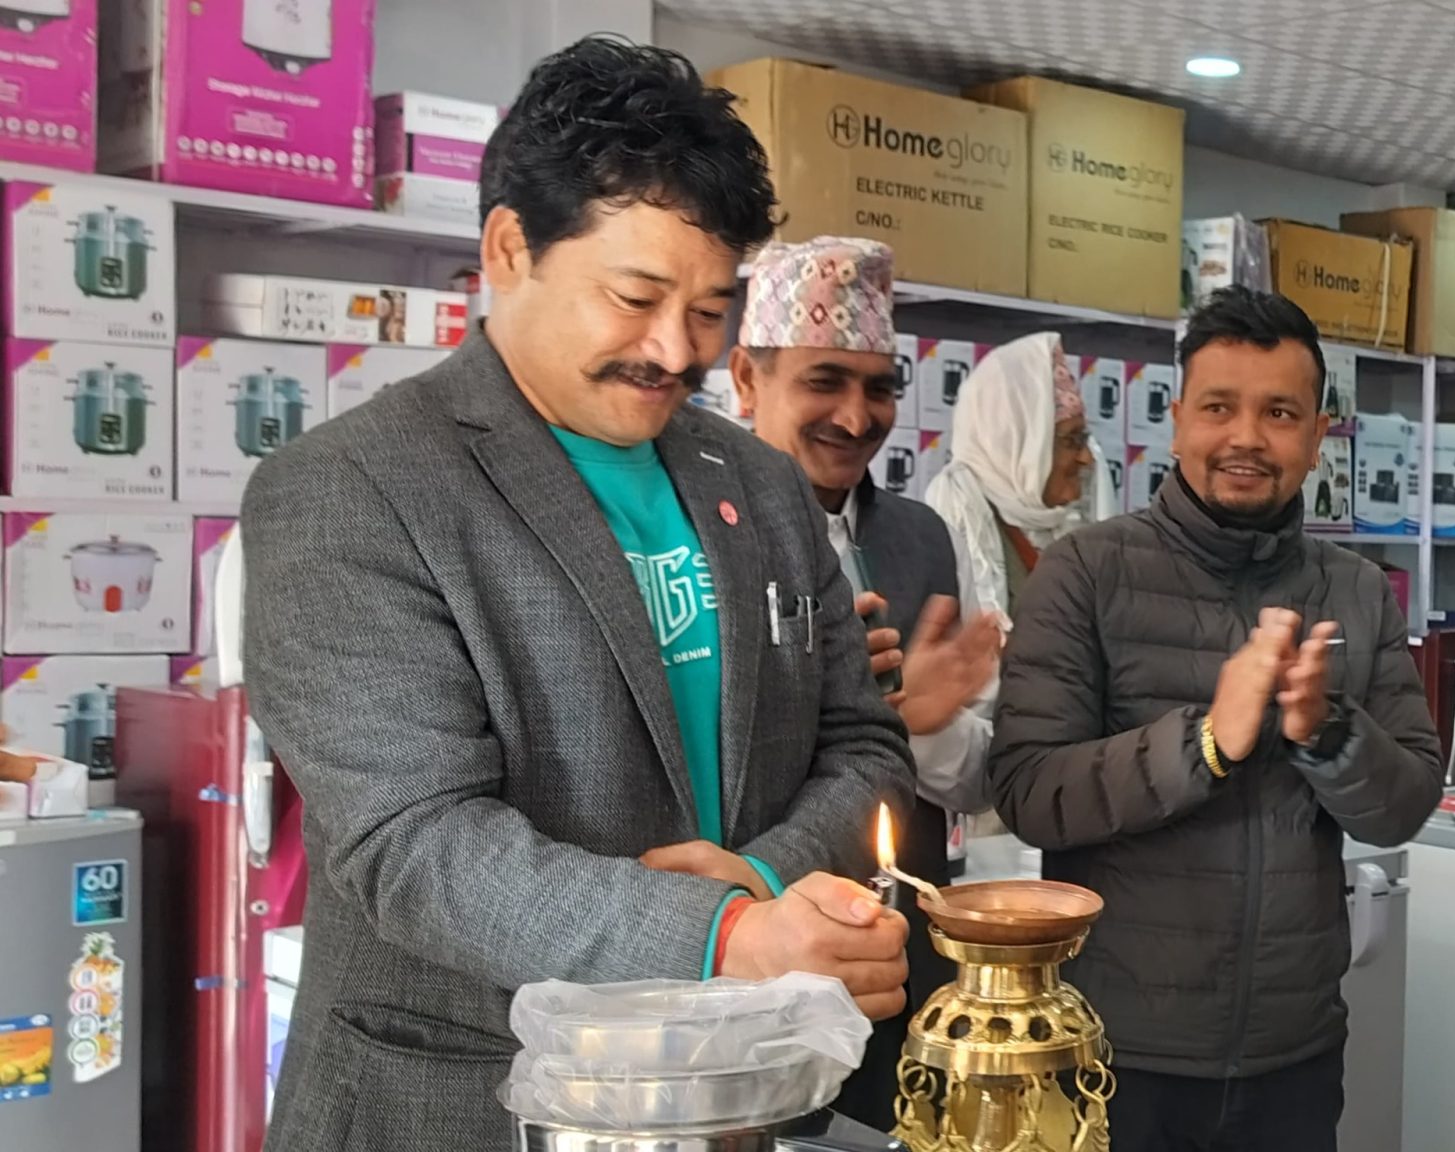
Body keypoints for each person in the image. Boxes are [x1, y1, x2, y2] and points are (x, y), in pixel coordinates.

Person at [242, 39, 914, 1151]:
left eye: (710, 310)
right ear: (510, 248)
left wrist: (762, 880)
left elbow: (864, 745)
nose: (675, 351)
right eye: (635, 296)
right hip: (463, 1102)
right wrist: (723, 934)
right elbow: (413, 844)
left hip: (731, 1096)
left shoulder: (756, 481)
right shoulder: (352, 489)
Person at [988, 287, 1444, 1151]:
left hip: (1294, 1055)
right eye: (1219, 407)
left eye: (1280, 413)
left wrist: (1329, 733)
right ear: (1177, 422)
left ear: (1317, 436)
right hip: (1114, 1052)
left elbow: (1405, 804)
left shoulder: (1355, 589)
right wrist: (1203, 743)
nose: (1246, 437)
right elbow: (1028, 790)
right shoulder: (1085, 572)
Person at [727, 235, 1004, 1127]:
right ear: (747, 378)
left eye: (880, 388)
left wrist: (920, 723)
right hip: (749, 955)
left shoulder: (920, 538)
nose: (856, 417)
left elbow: (964, 782)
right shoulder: (698, 536)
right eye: (825, 381)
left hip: (897, 964)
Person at [921, 331, 1098, 627]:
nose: (1087, 458)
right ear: (1017, 443)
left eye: (1084, 439)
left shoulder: (1065, 527)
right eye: (1072, 440)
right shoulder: (958, 522)